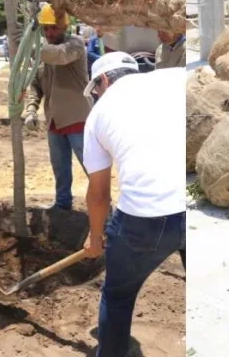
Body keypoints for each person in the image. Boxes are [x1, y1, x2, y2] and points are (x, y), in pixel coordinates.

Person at [80, 51, 186, 357]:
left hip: (145, 218)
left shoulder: (98, 115)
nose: (97, 95)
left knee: (118, 295)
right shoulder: (173, 78)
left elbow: (99, 194)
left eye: (96, 89)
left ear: (102, 81)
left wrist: (96, 237)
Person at [25, 4, 92, 211]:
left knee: (92, 167)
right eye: (45, 29)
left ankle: (105, 208)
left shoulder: (75, 45)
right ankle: (63, 204)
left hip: (77, 119)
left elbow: (59, 55)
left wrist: (27, 45)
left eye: (53, 28)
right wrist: (31, 109)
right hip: (54, 120)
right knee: (60, 167)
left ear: (64, 26)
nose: (49, 32)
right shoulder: (43, 53)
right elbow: (35, 84)